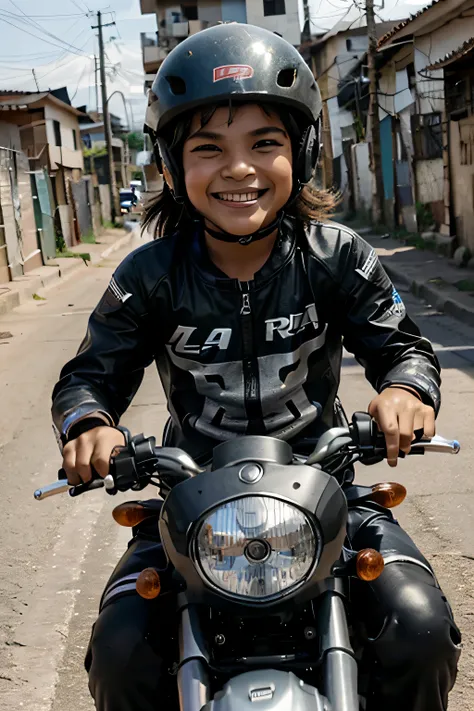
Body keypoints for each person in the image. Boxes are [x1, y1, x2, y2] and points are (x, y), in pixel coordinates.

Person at [51, 23, 461, 711]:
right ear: (172, 163)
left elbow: (404, 348)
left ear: (300, 151)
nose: (238, 169)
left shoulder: (337, 256)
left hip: (328, 495)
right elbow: (89, 375)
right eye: (208, 148)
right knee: (120, 649)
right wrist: (90, 424)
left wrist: (405, 391)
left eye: (264, 143)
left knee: (418, 628)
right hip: (190, 506)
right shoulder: (148, 275)